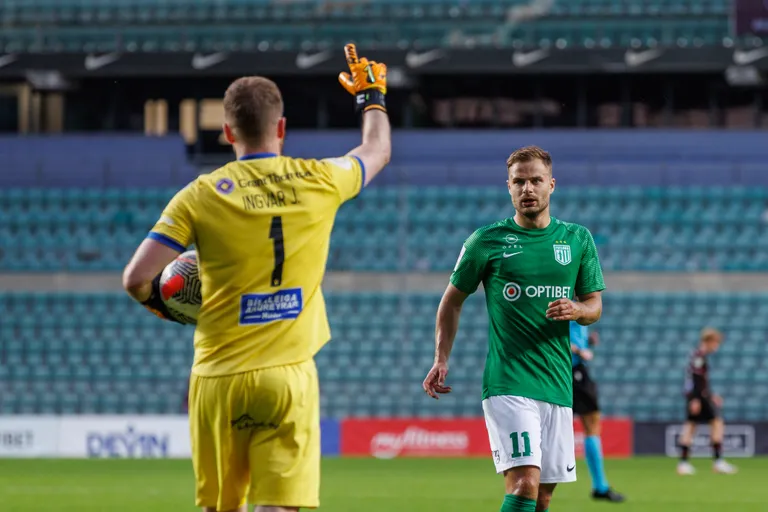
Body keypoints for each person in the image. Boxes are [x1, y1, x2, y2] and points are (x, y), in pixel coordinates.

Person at [122, 44, 390, 512]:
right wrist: (371, 97)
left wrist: (165, 307)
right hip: (287, 378)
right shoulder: (320, 178)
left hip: (216, 376)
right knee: (279, 506)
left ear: (227, 132)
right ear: (281, 128)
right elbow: (377, 149)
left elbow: (136, 278)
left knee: (219, 507)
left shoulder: (199, 195)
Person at [423, 146, 605, 512]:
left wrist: (578, 309)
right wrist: (441, 357)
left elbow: (595, 307)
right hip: (509, 382)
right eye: (519, 181)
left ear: (551, 185)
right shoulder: (485, 242)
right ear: (508, 187)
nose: (527, 189)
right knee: (524, 486)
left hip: (557, 383)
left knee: (543, 497)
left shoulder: (577, 239)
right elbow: (451, 301)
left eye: (536, 180)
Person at [570, 323, 625, 502]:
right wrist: (579, 351)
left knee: (591, 423)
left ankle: (600, 486)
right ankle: (600, 486)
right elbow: (557, 336)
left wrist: (587, 342)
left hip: (573, 369)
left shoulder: (576, 306)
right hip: (571, 369)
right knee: (591, 423)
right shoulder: (566, 301)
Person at [677, 327, 737, 476]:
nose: (716, 346)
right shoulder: (699, 356)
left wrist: (711, 395)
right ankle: (718, 462)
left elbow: (699, 381)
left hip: (699, 396)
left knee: (691, 426)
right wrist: (696, 399)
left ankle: (684, 463)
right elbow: (696, 380)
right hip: (698, 397)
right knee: (715, 423)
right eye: (716, 343)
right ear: (709, 341)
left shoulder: (698, 355)